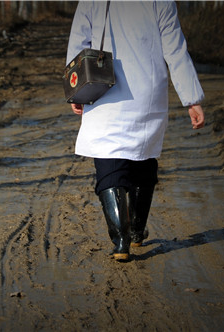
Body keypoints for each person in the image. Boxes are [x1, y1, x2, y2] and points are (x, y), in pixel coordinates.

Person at [66, 0, 205, 261]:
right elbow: (175, 49)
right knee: (143, 158)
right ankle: (137, 230)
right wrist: (192, 98)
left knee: (109, 162)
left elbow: (79, 43)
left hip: (102, 87)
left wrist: (75, 89)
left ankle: (121, 241)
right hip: (146, 91)